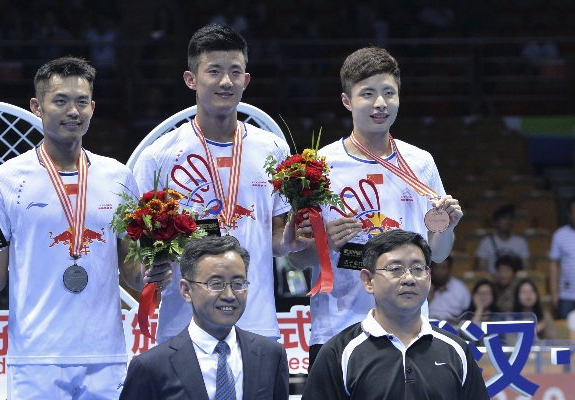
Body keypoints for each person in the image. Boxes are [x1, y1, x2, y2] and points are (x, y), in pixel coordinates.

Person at [0, 57, 172, 399]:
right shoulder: (5, 180)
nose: (73, 111)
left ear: (93, 107)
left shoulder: (118, 176)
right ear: (37, 107)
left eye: (82, 102)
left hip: (104, 356)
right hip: (35, 358)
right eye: (60, 101)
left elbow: (133, 274)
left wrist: (156, 270)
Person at [287, 46, 463, 367]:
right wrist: (326, 243)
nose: (380, 103)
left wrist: (447, 227)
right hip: (338, 328)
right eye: (367, 94)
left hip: (408, 329)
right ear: (347, 100)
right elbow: (297, 259)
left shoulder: (420, 163)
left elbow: (437, 254)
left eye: (388, 93)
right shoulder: (319, 166)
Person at [133, 24, 305, 343]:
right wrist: (150, 267)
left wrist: (291, 241)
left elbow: (276, 237)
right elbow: (141, 248)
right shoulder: (158, 157)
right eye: (214, 71)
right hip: (182, 326)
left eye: (235, 72)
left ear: (246, 80)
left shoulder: (273, 149)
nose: (226, 81)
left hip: (256, 323)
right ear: (191, 79)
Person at [302, 230, 488, 400]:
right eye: (395, 269)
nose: (409, 279)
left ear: (429, 278)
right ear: (368, 280)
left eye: (418, 269)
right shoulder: (338, 353)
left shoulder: (457, 350)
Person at [119, 235, 289, 399]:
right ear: (186, 290)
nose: (229, 295)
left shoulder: (271, 355)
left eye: (238, 284)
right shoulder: (151, 366)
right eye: (215, 284)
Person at [475, 204, 530, 274]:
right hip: (493, 279)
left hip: (514, 279)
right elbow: (481, 269)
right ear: (496, 222)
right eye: (504, 218)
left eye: (510, 218)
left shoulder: (520, 241)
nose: (508, 221)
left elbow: (527, 267)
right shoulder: (486, 242)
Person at [549, 196, 575, 319]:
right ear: (570, 214)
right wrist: (554, 293)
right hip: (567, 296)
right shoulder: (559, 235)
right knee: (564, 329)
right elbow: (554, 266)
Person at [427, 255, 471, 320]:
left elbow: (467, 311)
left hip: (454, 324)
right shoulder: (424, 287)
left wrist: (458, 319)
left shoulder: (459, 288)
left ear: (450, 269)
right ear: (431, 268)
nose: (440, 271)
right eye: (437, 267)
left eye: (444, 267)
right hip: (428, 322)